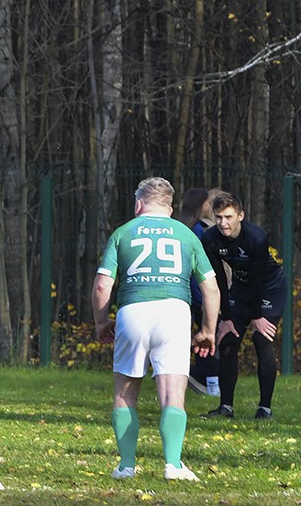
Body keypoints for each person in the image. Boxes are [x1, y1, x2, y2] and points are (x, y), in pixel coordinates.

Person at [92, 177, 219, 482]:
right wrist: (208, 330)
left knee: (125, 392)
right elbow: (211, 287)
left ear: (138, 204)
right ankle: (173, 465)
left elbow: (102, 285)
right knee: (173, 394)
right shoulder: (186, 234)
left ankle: (126, 466)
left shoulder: (123, 232)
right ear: (170, 207)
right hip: (174, 312)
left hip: (133, 310)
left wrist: (101, 322)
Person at [199, 192, 288, 420]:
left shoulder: (257, 237)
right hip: (240, 288)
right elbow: (219, 279)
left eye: (228, 217)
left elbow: (257, 279)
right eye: (219, 217)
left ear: (240, 215)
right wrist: (226, 318)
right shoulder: (209, 239)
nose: (223, 223)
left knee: (261, 338)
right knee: (228, 339)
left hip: (269, 287)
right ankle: (225, 407)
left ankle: (264, 409)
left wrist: (257, 316)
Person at [178, 188, 220, 397]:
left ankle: (197, 377)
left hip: (185, 293)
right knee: (209, 337)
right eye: (207, 203)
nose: (209, 206)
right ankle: (210, 383)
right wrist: (203, 297)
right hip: (198, 294)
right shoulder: (198, 232)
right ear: (200, 205)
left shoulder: (181, 228)